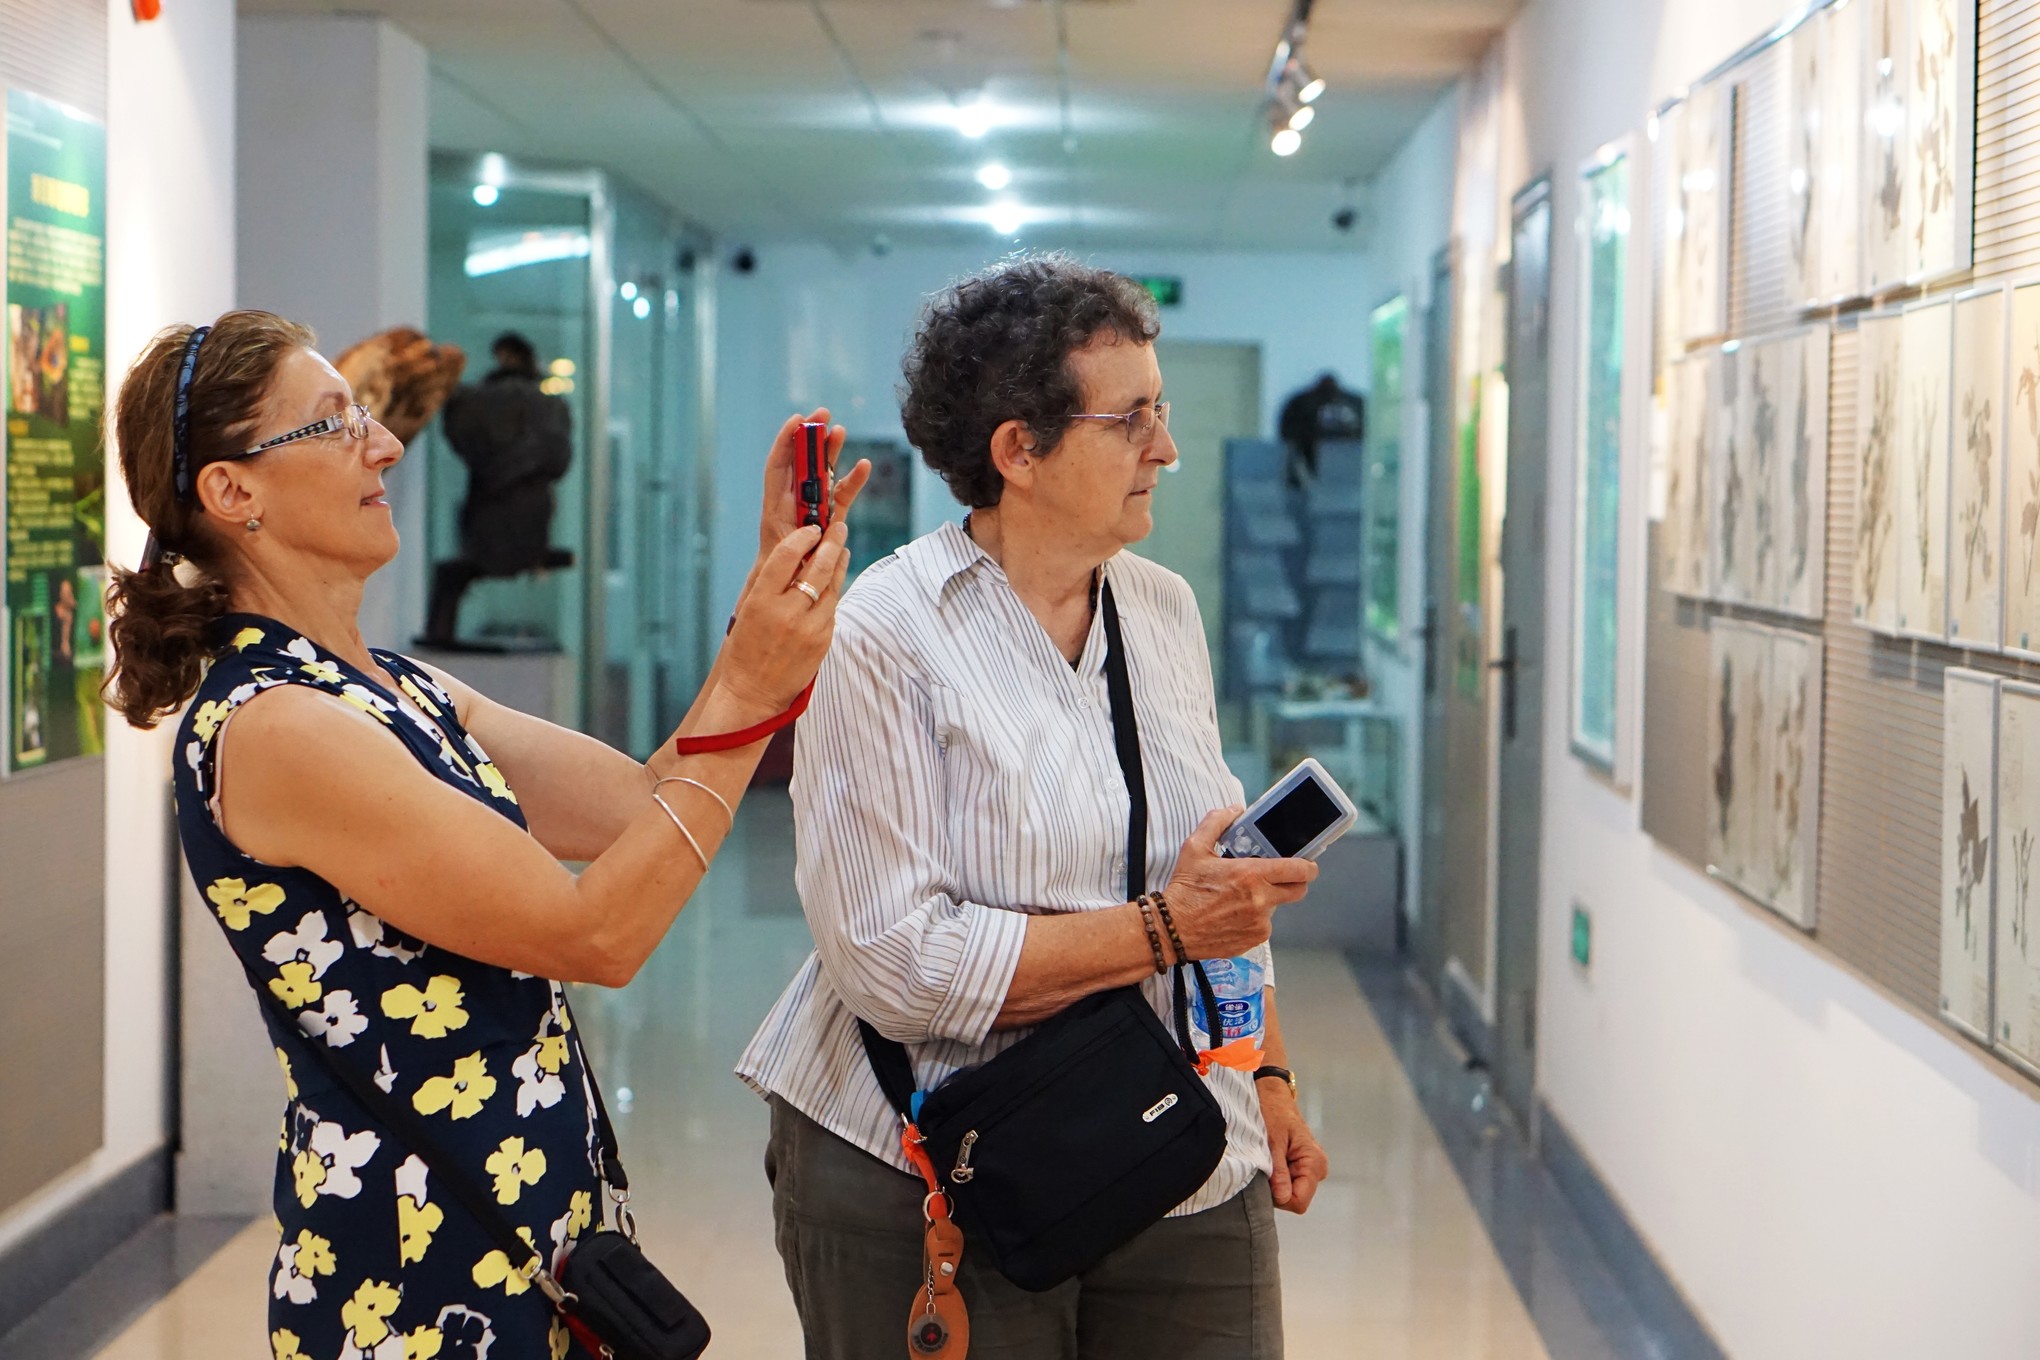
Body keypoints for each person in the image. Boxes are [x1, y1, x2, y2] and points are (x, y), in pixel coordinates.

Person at [103, 309, 868, 1359]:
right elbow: (594, 932)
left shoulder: (398, 687)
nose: (385, 445)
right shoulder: (275, 724)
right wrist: (752, 685)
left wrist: (759, 617)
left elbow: (644, 806)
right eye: (336, 422)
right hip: (415, 1280)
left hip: (524, 1237)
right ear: (234, 492)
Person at [738, 256, 1329, 1359]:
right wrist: (1164, 930)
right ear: (1019, 450)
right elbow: (896, 962)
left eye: (1162, 411)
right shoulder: (883, 632)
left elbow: (1218, 882)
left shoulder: (1163, 610)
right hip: (932, 1161)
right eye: (1132, 419)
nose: (1167, 448)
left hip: (1180, 1137)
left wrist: (1269, 1071)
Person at [422, 332, 573, 647]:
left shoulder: (477, 400)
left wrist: (498, 472)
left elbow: (461, 434)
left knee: (459, 574)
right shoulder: (549, 403)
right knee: (462, 573)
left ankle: (440, 633)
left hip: (494, 504)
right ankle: (440, 634)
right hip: (519, 506)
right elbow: (558, 458)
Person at [1276, 370, 1365, 485]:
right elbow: (1288, 435)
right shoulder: (1299, 403)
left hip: (1353, 464)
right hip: (1308, 460)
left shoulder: (1356, 403)